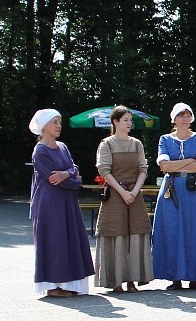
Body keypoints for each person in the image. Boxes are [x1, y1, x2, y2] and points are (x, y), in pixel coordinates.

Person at [29, 109, 94, 298]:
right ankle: (53, 285)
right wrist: (74, 179)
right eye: (55, 122)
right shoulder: (40, 151)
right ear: (44, 126)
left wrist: (67, 174)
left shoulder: (63, 147)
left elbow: (73, 168)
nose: (59, 126)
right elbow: (53, 179)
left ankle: (70, 283)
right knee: (55, 240)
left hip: (67, 200)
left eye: (60, 122)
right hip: (49, 202)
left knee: (70, 238)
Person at [152, 103, 196, 290]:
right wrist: (189, 161)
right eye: (181, 115)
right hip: (172, 189)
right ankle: (174, 277)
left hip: (194, 189)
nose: (185, 119)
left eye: (188, 115)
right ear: (174, 119)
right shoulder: (165, 139)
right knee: (172, 230)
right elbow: (164, 166)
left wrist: (176, 164)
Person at [94, 105, 154, 293]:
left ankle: (132, 279)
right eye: (126, 120)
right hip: (115, 194)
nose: (130, 123)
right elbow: (104, 170)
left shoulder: (136, 144)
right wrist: (122, 192)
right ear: (116, 121)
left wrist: (134, 192)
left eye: (130, 120)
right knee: (116, 233)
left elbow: (143, 169)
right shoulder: (107, 144)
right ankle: (116, 280)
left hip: (134, 193)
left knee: (136, 232)